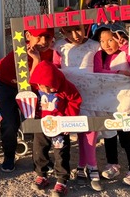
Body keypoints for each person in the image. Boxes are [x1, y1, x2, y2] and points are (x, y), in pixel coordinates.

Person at [0, 27, 55, 172]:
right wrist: (36, 59)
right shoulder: (22, 50)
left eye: (48, 37)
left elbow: (36, 83)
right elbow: (29, 82)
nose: (44, 41)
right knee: (9, 121)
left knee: (39, 121)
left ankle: (41, 160)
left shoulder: (53, 51)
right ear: (28, 35)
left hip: (33, 87)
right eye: (38, 37)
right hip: (6, 83)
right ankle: (9, 156)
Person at [53, 19, 103, 192]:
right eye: (70, 31)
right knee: (77, 129)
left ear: (85, 27)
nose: (76, 35)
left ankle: (92, 167)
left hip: (91, 95)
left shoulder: (95, 46)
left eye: (79, 29)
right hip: (70, 98)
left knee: (90, 131)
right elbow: (55, 71)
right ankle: (82, 166)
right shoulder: (59, 47)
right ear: (63, 32)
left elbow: (99, 70)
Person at [92, 25, 130, 187]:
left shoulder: (125, 54)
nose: (106, 44)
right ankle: (112, 163)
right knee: (108, 134)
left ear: (119, 38)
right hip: (107, 103)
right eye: (102, 40)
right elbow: (97, 71)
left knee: (126, 136)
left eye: (110, 40)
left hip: (125, 104)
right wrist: (117, 74)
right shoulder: (99, 56)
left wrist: (126, 47)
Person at [30, 61, 82, 197]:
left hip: (59, 125)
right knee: (39, 149)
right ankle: (42, 174)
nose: (47, 91)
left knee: (61, 153)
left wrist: (68, 121)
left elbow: (75, 100)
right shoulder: (35, 88)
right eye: (43, 87)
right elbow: (30, 100)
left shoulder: (65, 87)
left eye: (50, 88)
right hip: (41, 124)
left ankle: (62, 180)